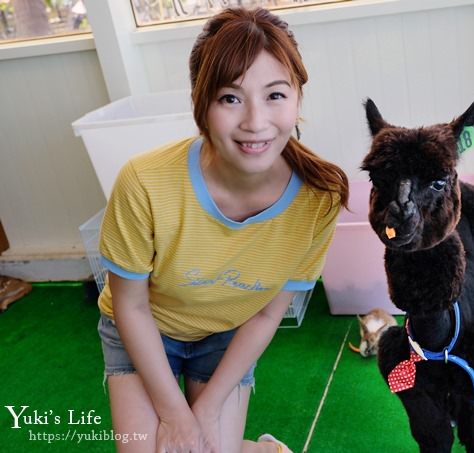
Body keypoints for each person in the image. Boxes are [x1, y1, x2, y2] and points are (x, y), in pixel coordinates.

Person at [96, 7, 349, 452]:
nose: (255, 122)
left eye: (275, 95)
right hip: (144, 329)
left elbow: (269, 313)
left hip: (226, 335)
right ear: (201, 104)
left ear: (297, 98)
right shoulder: (143, 181)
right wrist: (176, 418)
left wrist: (206, 412)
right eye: (230, 98)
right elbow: (130, 307)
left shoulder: (320, 197)